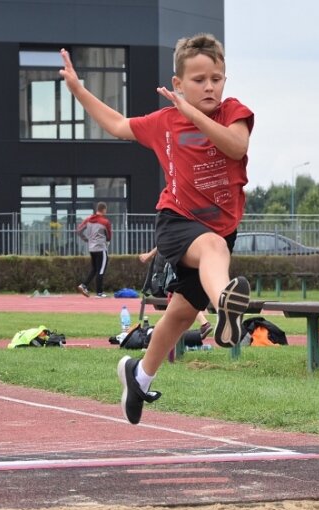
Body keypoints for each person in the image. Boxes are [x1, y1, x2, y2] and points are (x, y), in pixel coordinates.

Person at [60, 33, 254, 425]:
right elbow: (116, 124)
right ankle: (225, 310)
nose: (210, 86)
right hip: (178, 221)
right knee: (214, 247)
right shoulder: (164, 122)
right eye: (199, 80)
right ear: (179, 83)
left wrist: (193, 112)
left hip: (220, 225)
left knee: (182, 312)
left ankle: (139, 376)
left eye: (216, 77)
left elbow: (235, 147)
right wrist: (79, 89)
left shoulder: (234, 112)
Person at [138, 247, 212, 339]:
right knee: (182, 298)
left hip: (171, 272)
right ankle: (161, 331)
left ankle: (204, 323)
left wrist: (149, 255)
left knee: (182, 297)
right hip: (174, 271)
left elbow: (165, 239)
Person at [76, 202, 112, 298]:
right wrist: (105, 241)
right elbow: (109, 236)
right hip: (101, 247)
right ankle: (99, 292)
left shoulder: (88, 219)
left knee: (94, 269)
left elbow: (79, 231)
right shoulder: (105, 222)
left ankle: (83, 285)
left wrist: (86, 239)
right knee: (101, 270)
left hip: (91, 248)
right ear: (104, 209)